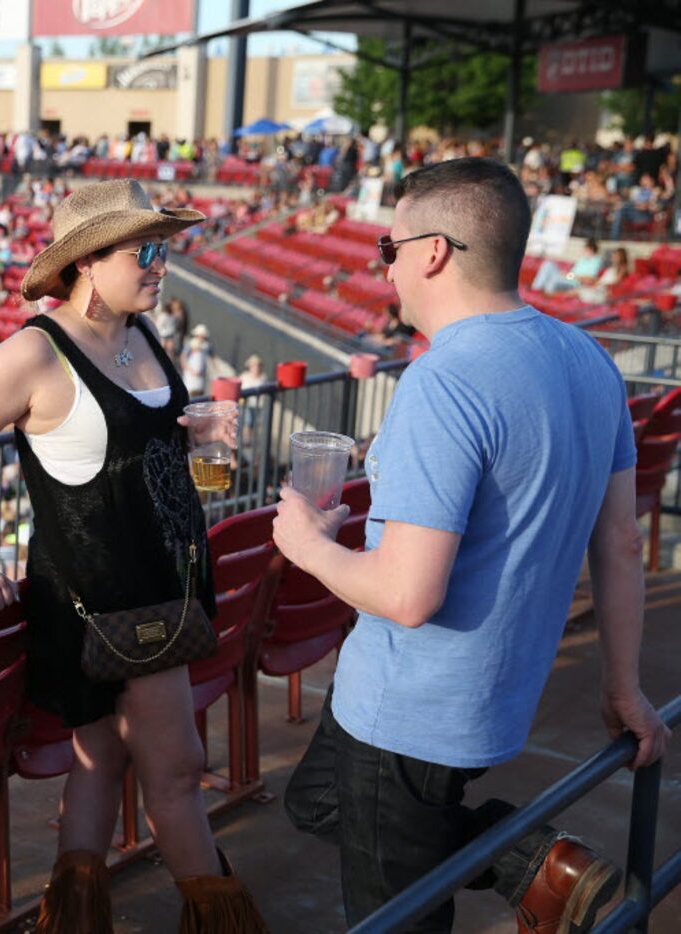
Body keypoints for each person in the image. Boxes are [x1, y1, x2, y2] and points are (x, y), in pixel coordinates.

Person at [272, 158, 671, 932]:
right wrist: (623, 685)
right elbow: (621, 543)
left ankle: (531, 860)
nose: (384, 271)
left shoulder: (442, 380)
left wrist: (308, 546)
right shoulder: (590, 358)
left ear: (431, 252)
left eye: (387, 252)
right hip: (491, 700)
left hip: (405, 711)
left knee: (399, 913)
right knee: (317, 799)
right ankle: (533, 863)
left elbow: (407, 595)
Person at [0, 179, 265, 932]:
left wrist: (195, 439)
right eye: (144, 251)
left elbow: (140, 445)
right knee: (173, 774)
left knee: (103, 759)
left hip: (158, 589)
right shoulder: (31, 354)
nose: (159, 265)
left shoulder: (140, 332)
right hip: (107, 602)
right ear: (86, 261)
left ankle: (72, 918)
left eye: (163, 250)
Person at [530, 238, 604, 294]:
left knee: (552, 280)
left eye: (585, 249)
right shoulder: (582, 259)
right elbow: (572, 272)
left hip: (574, 282)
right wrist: (566, 274)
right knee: (548, 264)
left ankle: (537, 292)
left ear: (590, 249)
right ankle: (535, 289)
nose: (583, 251)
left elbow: (590, 279)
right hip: (568, 277)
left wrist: (569, 275)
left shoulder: (596, 261)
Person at [179, 324, 214, 397]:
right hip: (190, 375)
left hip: (201, 376)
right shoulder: (190, 344)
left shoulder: (206, 346)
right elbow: (183, 358)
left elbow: (210, 358)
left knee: (199, 394)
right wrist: (190, 370)